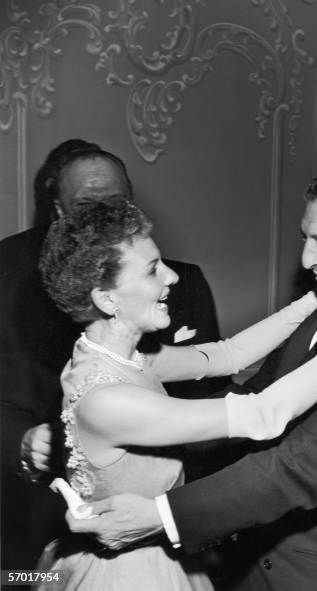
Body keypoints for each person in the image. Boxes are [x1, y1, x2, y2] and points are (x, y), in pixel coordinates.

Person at [66, 162, 317, 591]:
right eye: (305, 239)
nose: (307, 259)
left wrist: (166, 514)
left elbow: (306, 464)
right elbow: (254, 396)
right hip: (252, 560)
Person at [0, 141, 226, 571]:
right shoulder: (5, 275)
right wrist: (23, 444)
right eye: (87, 204)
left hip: (159, 525)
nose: (103, 214)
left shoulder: (180, 282)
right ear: (58, 212)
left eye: (116, 202)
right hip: (31, 523)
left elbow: (212, 389)